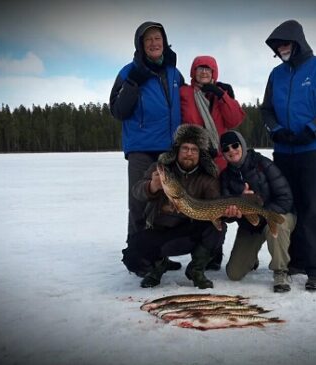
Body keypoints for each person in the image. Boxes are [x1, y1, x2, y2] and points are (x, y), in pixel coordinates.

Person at [261, 20, 316, 291]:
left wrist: (314, 130)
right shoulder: (276, 74)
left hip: (313, 152)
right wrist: (276, 130)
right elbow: (266, 110)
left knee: (314, 210)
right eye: (277, 47)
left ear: (297, 42)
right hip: (285, 152)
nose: (281, 49)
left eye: (285, 44)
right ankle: (296, 261)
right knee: (288, 209)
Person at [109, 21, 184, 275]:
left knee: (164, 204)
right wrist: (133, 84)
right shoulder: (128, 72)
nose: (154, 43)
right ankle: (138, 258)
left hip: (169, 148)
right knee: (139, 202)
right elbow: (117, 110)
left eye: (158, 38)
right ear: (140, 45)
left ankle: (159, 255)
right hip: (141, 148)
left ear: (164, 41)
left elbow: (187, 103)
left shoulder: (174, 73)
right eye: (148, 39)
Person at [126, 124, 226, 289]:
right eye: (185, 148)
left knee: (218, 228)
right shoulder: (161, 170)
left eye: (194, 149)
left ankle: (196, 270)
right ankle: (159, 265)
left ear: (200, 153)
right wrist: (152, 186)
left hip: (190, 232)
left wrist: (228, 212)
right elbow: (137, 191)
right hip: (162, 231)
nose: (189, 153)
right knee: (132, 257)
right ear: (177, 150)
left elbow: (215, 204)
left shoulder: (207, 177)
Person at [180, 55, 246, 271]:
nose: (204, 72)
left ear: (215, 72)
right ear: (193, 72)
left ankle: (240, 253)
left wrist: (222, 95)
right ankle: (203, 254)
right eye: (200, 68)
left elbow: (235, 120)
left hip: (220, 163)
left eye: (208, 69)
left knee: (228, 208)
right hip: (196, 160)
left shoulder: (221, 94)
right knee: (199, 210)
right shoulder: (184, 93)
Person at [219, 131, 296, 293]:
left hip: (278, 215)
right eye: (226, 149)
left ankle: (281, 272)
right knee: (234, 273)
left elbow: (286, 198)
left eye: (235, 145)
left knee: (276, 226)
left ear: (242, 145)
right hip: (251, 225)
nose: (231, 151)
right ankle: (250, 259)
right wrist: (233, 210)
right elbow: (225, 210)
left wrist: (258, 209)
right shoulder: (225, 177)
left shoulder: (263, 164)